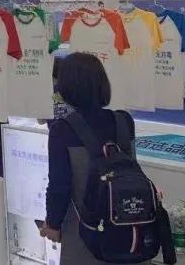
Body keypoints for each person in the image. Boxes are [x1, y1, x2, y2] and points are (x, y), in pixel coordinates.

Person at [40, 52, 136, 263]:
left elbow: (59, 186)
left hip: (85, 232)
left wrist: (53, 224)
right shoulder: (124, 121)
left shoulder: (62, 130)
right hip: (129, 227)